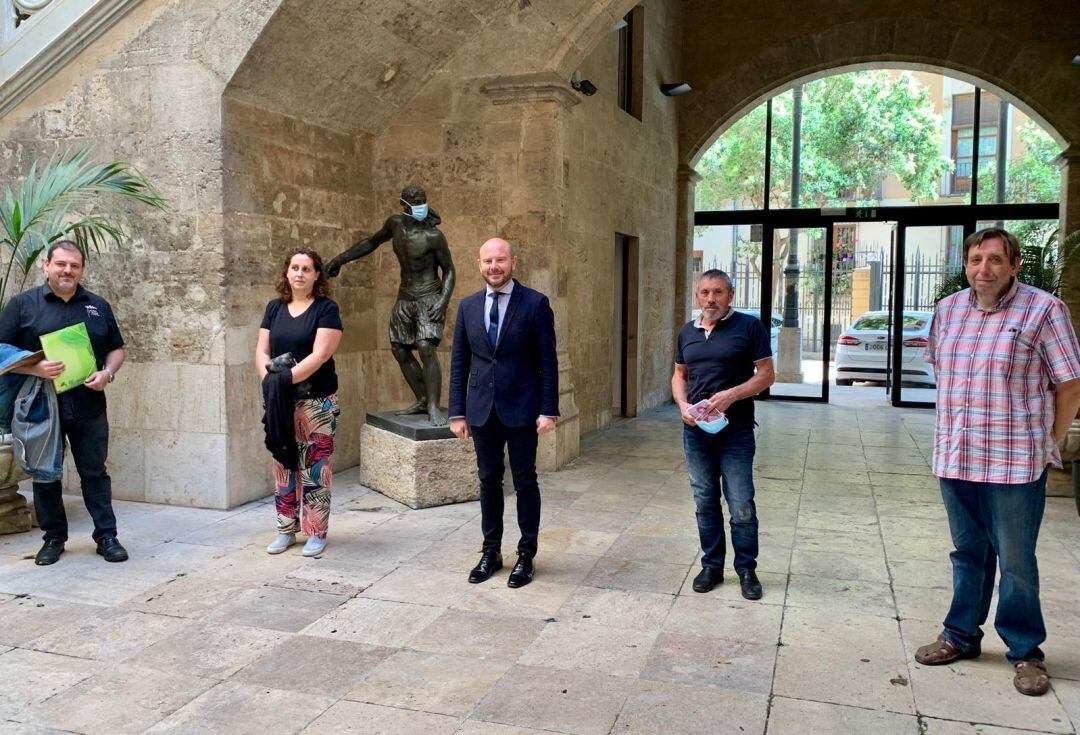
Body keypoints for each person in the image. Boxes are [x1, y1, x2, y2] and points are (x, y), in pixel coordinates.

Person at [914, 227, 1080, 697]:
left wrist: (1051, 440)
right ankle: (960, 635)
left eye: (993, 260)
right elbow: (944, 374)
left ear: (1013, 265)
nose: (982, 269)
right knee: (967, 553)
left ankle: (1026, 651)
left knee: (1017, 561)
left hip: (1014, 459)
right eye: (974, 260)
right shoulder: (948, 311)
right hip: (957, 455)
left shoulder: (1044, 310)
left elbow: (1070, 385)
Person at [0, 240, 127, 565]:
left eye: (74, 265)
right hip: (41, 408)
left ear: (81, 269)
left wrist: (107, 374)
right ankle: (54, 539)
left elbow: (116, 348)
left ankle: (107, 536)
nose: (67, 270)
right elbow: (1, 351)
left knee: (94, 472)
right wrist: (35, 367)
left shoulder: (97, 305)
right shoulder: (23, 305)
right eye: (61, 264)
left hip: (88, 406)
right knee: (46, 476)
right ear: (47, 266)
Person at [449, 238, 558, 588]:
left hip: (523, 409)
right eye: (487, 261)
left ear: (513, 261)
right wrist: (457, 412)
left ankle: (526, 555)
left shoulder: (536, 304)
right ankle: (491, 551)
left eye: (500, 260)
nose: (494, 267)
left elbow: (548, 362)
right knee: (488, 481)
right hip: (481, 410)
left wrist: (548, 409)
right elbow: (459, 363)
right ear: (478, 264)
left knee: (525, 481)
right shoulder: (467, 306)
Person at [672, 269, 774, 600]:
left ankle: (746, 570)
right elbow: (679, 375)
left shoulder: (749, 327)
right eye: (704, 293)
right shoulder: (687, 331)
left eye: (717, 292)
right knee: (704, 501)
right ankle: (712, 566)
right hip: (696, 432)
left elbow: (767, 375)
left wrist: (733, 394)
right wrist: (682, 404)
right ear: (697, 296)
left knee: (741, 503)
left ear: (731, 295)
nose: (710, 299)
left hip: (736, 432)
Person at [326, 185, 455, 426]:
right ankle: (423, 398)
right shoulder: (395, 224)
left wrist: (442, 301)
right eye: (415, 203)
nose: (420, 207)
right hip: (405, 295)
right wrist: (340, 260)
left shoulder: (434, 236)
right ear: (404, 205)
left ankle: (434, 407)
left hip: (429, 294)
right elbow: (371, 242)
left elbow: (449, 270)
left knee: (426, 346)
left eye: (423, 202)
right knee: (399, 348)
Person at [256, 248, 343, 557]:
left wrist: (283, 378)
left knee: (315, 468)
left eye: (307, 268)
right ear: (287, 272)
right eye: (295, 267)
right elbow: (261, 351)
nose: (300, 273)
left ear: (317, 274)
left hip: (316, 403)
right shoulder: (274, 308)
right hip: (281, 401)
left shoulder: (326, 309)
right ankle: (285, 529)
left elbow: (320, 355)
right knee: (283, 464)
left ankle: (316, 532)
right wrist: (270, 381)